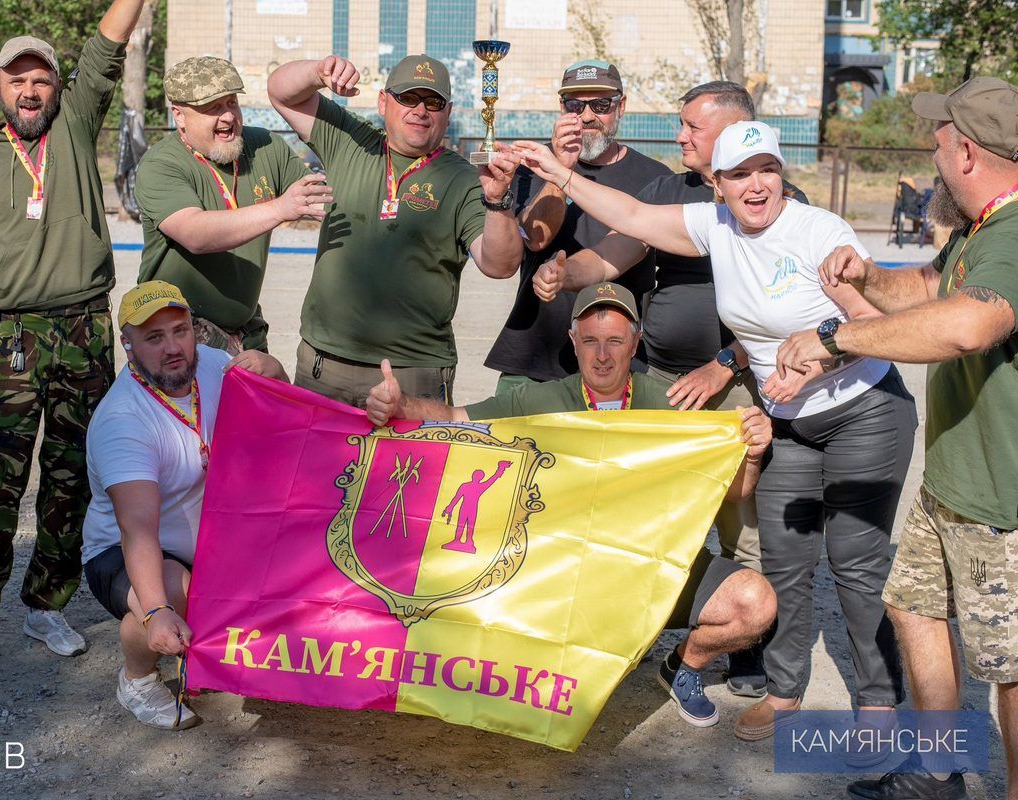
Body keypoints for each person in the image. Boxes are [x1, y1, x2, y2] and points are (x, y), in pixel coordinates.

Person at [515, 121, 917, 742]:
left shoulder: (821, 232)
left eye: (767, 170)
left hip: (864, 408)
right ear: (717, 183)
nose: (755, 186)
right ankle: (785, 695)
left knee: (855, 565)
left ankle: (878, 707)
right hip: (790, 420)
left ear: (782, 174)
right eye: (739, 174)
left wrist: (821, 356)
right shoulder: (714, 224)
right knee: (784, 565)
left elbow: (875, 325)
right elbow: (630, 212)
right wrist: (559, 174)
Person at [367, 282, 775, 728]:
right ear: (573, 341)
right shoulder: (541, 400)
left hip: (652, 570)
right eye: (591, 341)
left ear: (635, 343)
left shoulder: (671, 404)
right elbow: (459, 421)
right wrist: (401, 403)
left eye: (616, 341)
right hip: (561, 578)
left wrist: (751, 454)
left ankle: (682, 666)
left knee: (754, 604)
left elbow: (735, 491)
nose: (603, 355)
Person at [776, 77, 1018, 800]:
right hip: (951, 484)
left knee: (1010, 667)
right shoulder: (982, 228)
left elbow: (969, 323)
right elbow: (931, 292)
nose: (931, 150)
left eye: (938, 139)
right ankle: (938, 770)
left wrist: (833, 336)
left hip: (1002, 505)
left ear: (967, 153)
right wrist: (868, 276)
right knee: (913, 605)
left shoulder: (1014, 236)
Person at [529, 80, 810, 696]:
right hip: (658, 383)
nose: (679, 136)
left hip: (735, 384)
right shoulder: (669, 190)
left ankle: (743, 647)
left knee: (742, 518)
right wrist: (564, 271)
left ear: (735, 129)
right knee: (651, 513)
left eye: (692, 126)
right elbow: (612, 255)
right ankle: (636, 627)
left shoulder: (778, 202)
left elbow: (794, 312)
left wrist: (724, 364)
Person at [0, 0, 148, 672]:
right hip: (7, 336)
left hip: (84, 328)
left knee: (72, 480)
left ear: (59, 89)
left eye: (42, 80)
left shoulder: (75, 124)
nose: (30, 91)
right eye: (17, 79)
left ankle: (44, 606)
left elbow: (109, 40)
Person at [83, 281, 287, 729]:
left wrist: (274, 368)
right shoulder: (123, 421)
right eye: (154, 338)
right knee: (177, 593)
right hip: (126, 551)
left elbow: (283, 410)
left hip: (215, 534)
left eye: (180, 331)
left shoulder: (215, 365)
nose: (173, 347)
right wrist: (156, 610)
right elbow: (138, 529)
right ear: (128, 345)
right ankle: (136, 678)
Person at [266, 53, 524, 407]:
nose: (420, 110)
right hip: (325, 366)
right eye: (408, 98)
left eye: (433, 102)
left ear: (447, 113)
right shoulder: (349, 138)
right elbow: (280, 92)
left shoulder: (464, 178)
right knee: (316, 464)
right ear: (383, 102)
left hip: (415, 375)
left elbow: (500, 265)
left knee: (410, 466)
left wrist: (497, 202)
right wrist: (317, 71)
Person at [483, 60, 670, 390]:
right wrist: (559, 169)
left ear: (621, 107)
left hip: (616, 365)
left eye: (600, 105)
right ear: (561, 108)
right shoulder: (534, 165)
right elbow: (535, 240)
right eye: (574, 105)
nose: (586, 116)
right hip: (534, 358)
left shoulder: (655, 178)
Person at [135, 56, 331, 354]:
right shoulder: (161, 164)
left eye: (231, 103)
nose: (228, 117)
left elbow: (323, 200)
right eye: (213, 108)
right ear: (179, 116)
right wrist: (281, 208)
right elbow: (195, 234)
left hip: (247, 332)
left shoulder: (264, 145)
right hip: (177, 338)